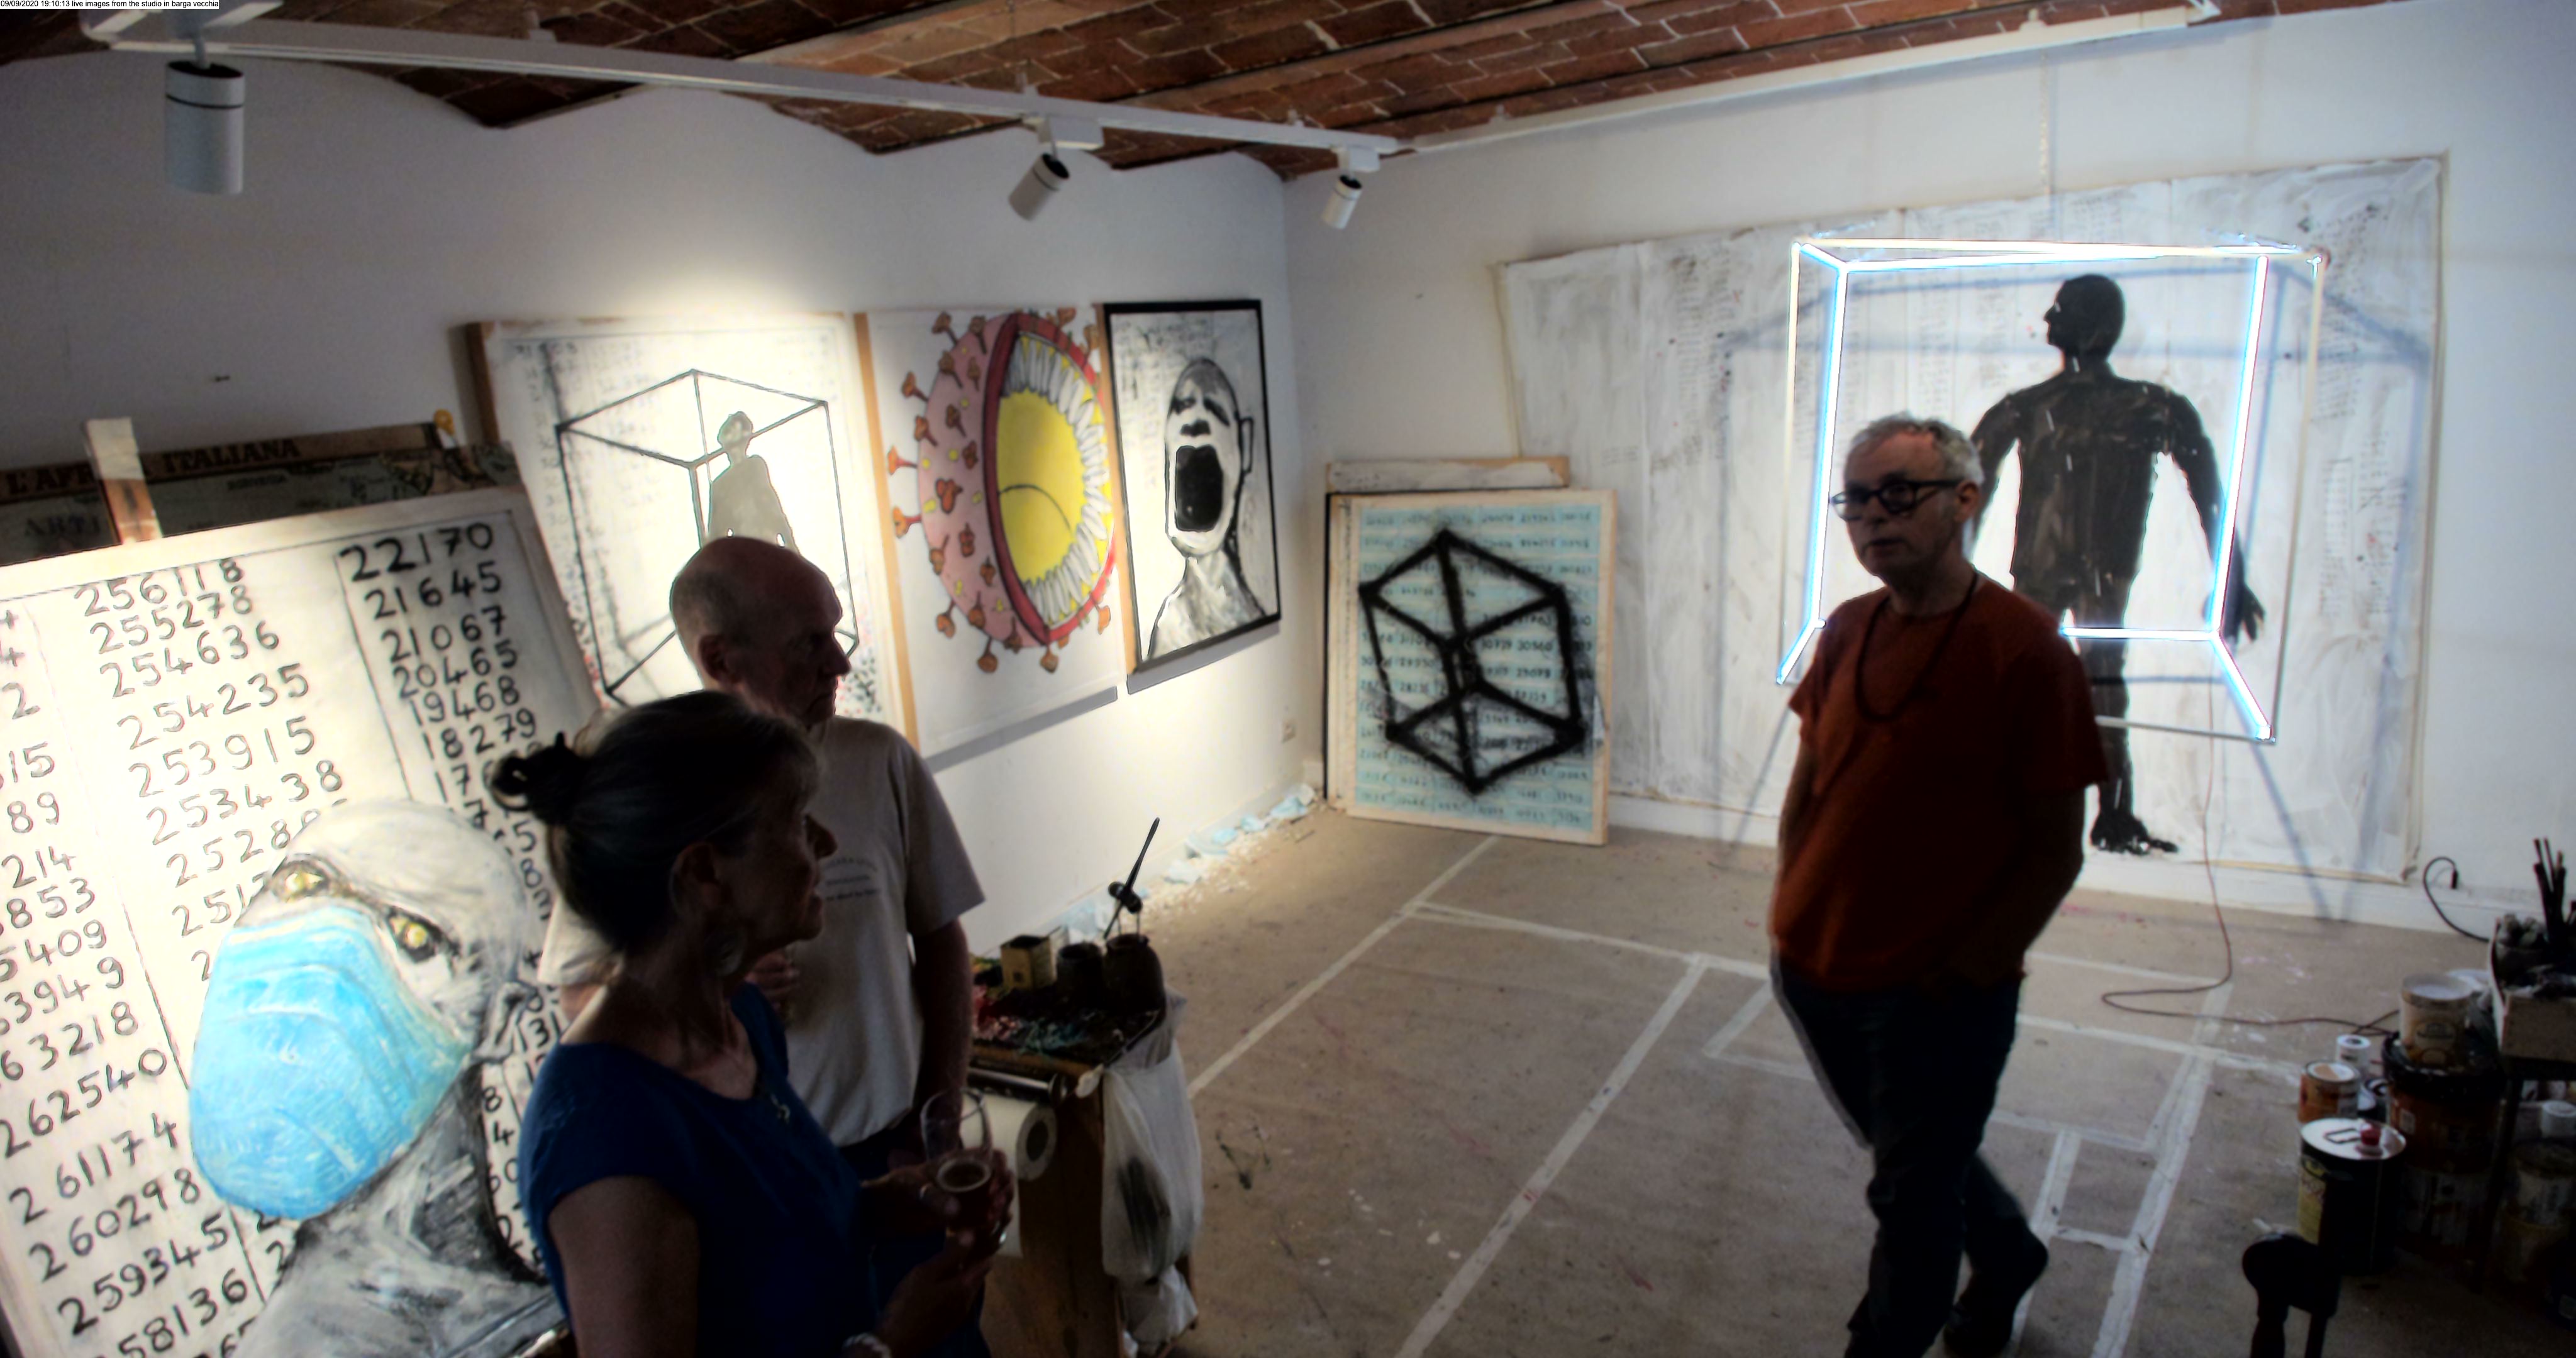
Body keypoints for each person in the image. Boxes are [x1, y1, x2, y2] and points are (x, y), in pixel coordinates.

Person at [538, 535, 988, 1352]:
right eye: (792, 824)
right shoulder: (614, 1138)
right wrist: (892, 1346)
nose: (824, 844)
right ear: (705, 875)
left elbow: (780, 1227)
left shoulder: (739, 1028)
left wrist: (894, 1201)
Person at [1772, 415, 2106, 1358]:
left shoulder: (2026, 651)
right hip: (1814, 967)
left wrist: (1968, 972)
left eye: (1897, 493)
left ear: (1964, 501)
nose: (1873, 517)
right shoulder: (1848, 628)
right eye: (1856, 501)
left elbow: (2055, 849)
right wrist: (1791, 898)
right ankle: (2007, 1253)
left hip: (1933, 993)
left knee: (1910, 1200)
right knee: (1912, 1155)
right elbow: (1811, 775)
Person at [1968, 275, 2262, 855]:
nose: (2047, 320)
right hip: (2082, 569)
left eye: (2060, 311)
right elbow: (1966, 493)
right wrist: (2232, 574)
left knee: (2076, 683)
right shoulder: (2143, 407)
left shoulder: (2041, 408)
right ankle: (2098, 812)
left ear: (2091, 326)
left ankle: (2093, 812)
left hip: (2065, 569)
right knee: (2089, 683)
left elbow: (1965, 495)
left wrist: (2231, 575)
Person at [1147, 359, 1268, 657]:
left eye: (1214, 410)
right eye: (1182, 408)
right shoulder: (1171, 626)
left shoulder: (1247, 617)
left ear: (1244, 446)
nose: (1196, 421)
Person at [703, 410, 800, 550]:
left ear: (745, 435)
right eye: (728, 424)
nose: (728, 426)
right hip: (744, 551)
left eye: (733, 425)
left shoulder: (754, 465)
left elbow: (771, 503)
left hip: (766, 544)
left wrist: (790, 543)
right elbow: (716, 534)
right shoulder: (718, 485)